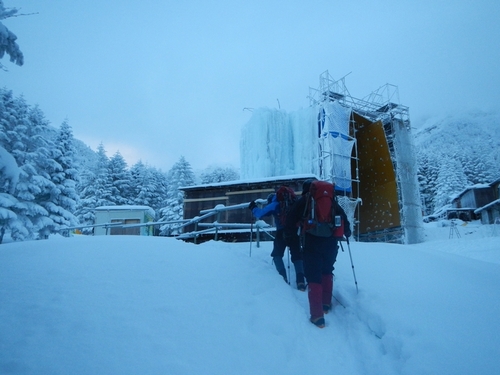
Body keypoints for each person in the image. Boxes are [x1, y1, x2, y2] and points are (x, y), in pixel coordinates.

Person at [285, 178, 351, 328]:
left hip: (311, 242)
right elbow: (343, 219)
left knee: (313, 276)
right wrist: (346, 232)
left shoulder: (304, 201)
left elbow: (290, 219)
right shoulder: (331, 201)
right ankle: (326, 304)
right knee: (327, 271)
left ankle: (317, 317)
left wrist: (289, 236)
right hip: (330, 242)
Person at [249, 191, 306, 291]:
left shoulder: (275, 204)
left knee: (277, 255)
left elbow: (261, 213)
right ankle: (301, 281)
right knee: (297, 256)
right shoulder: (294, 202)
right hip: (295, 232)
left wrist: (253, 208)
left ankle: (282, 279)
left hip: (281, 232)